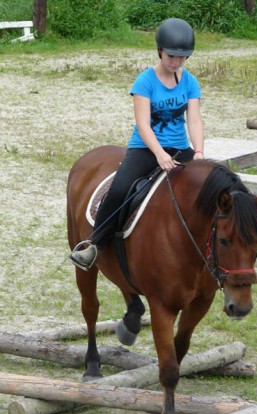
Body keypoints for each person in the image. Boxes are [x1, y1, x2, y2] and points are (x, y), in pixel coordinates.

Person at [70, 17, 204, 271]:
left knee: (207, 188)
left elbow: (195, 120)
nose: (176, 62)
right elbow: (143, 124)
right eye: (171, 56)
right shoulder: (145, 81)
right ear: (160, 51)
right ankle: (95, 245)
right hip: (145, 148)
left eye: (182, 57)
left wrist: (198, 152)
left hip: (180, 148)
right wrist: (160, 154)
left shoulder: (190, 82)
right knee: (119, 190)